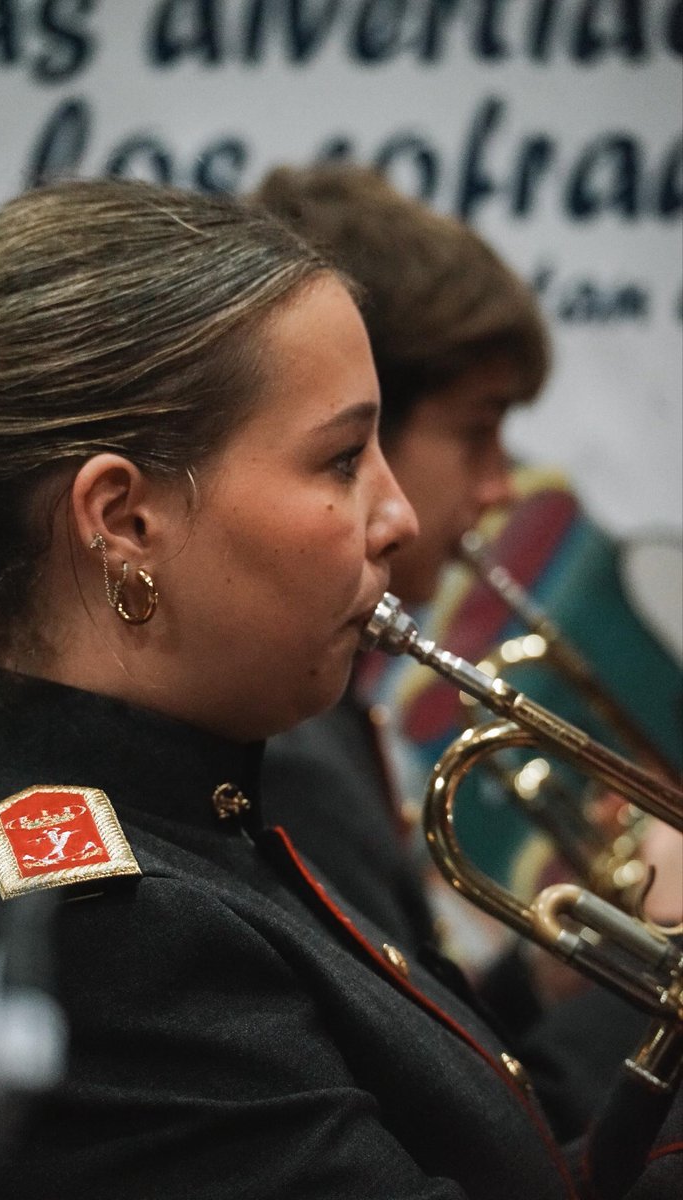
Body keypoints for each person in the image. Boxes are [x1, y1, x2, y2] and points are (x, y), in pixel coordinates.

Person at [0, 178, 678, 1199]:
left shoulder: (191, 818)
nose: (393, 514)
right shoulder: (109, 930)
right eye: (342, 459)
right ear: (123, 524)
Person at [254, 164, 675, 1137]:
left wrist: (541, 977)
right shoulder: (288, 745)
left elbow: (430, 1045)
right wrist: (662, 952)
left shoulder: (326, 708)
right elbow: (472, 1135)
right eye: (476, 433)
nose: (498, 488)